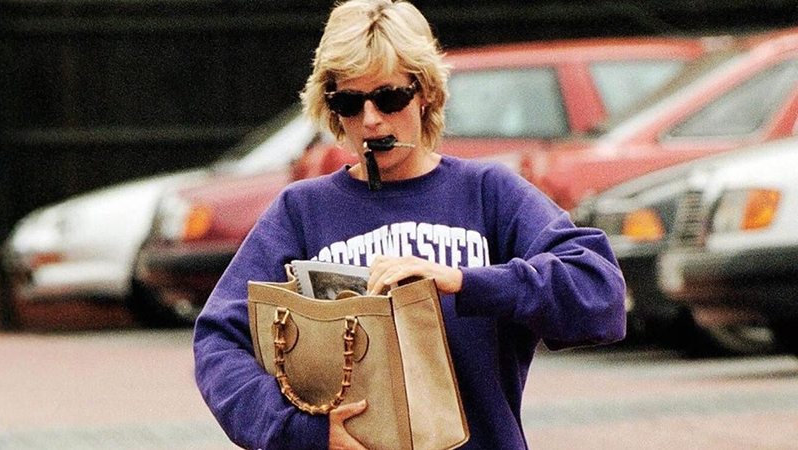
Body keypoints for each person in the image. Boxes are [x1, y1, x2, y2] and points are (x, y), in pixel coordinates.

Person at [193, 0, 626, 448]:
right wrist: (302, 432)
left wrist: (464, 282)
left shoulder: (488, 192)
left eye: (389, 97)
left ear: (425, 93)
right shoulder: (301, 211)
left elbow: (600, 293)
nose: (371, 119)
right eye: (348, 102)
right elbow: (218, 340)